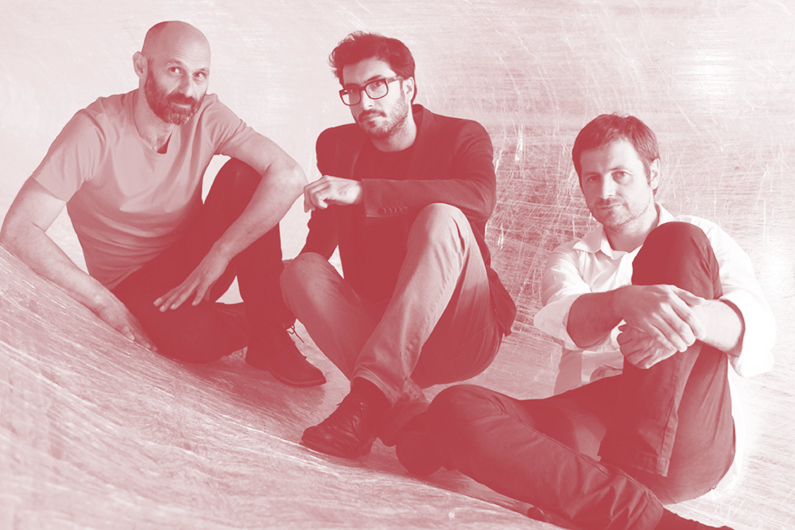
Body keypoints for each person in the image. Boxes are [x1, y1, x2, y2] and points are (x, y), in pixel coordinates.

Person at [405, 114, 775, 530]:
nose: (605, 190)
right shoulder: (569, 258)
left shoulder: (703, 237)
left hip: (685, 433)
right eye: (592, 178)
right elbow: (570, 324)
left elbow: (758, 334)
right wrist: (625, 302)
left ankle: (614, 485)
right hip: (594, 430)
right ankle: (647, 518)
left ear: (653, 174)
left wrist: (680, 321)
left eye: (620, 175)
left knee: (677, 240)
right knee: (456, 407)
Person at [0, 21, 325, 387]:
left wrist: (220, 254)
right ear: (141, 66)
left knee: (246, 176)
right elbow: (19, 229)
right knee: (193, 340)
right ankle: (271, 305)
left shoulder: (206, 114)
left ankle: (269, 336)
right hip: (133, 283)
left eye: (200, 75)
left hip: (198, 259)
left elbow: (288, 175)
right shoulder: (94, 130)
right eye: (175, 70)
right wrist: (104, 302)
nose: (188, 90)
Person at [280, 32, 516, 459]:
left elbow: (480, 198)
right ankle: (411, 420)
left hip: (461, 330)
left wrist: (365, 191)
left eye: (377, 86)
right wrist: (290, 299)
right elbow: (325, 232)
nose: (364, 102)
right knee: (300, 269)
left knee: (442, 216)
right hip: (378, 326)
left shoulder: (461, 135)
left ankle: (368, 401)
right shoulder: (336, 144)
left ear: (408, 87)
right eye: (352, 91)